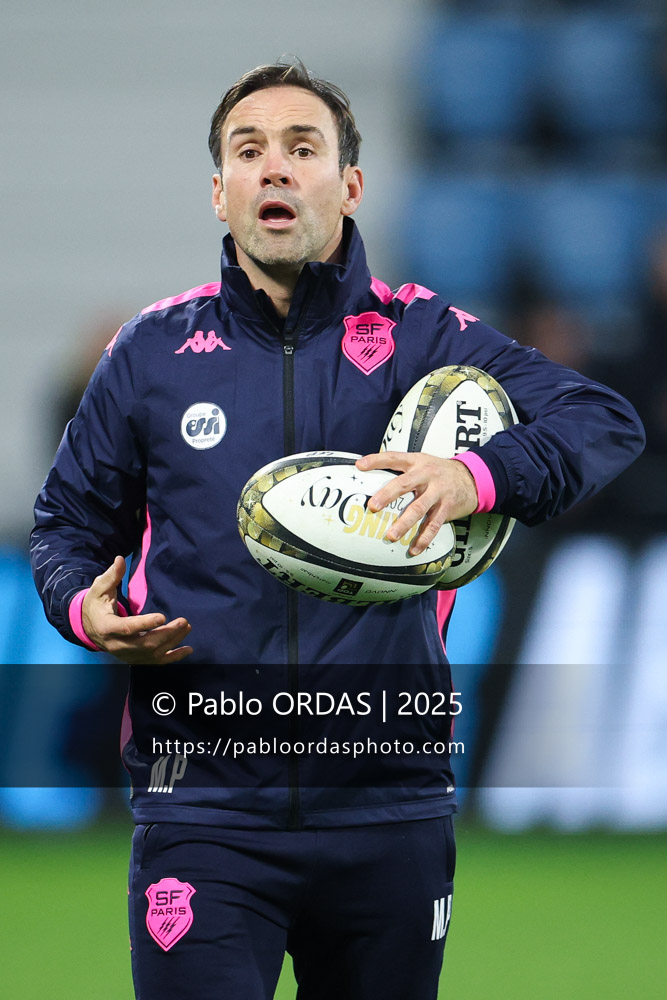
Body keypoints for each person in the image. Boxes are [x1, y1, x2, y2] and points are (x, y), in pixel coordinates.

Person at [31, 59, 644, 1000]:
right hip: (202, 809)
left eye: (301, 147)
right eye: (248, 151)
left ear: (349, 184)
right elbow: (65, 527)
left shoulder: (423, 335)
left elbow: (603, 421)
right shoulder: (152, 352)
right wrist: (85, 610)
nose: (273, 167)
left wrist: (474, 475)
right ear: (220, 192)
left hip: (388, 806)